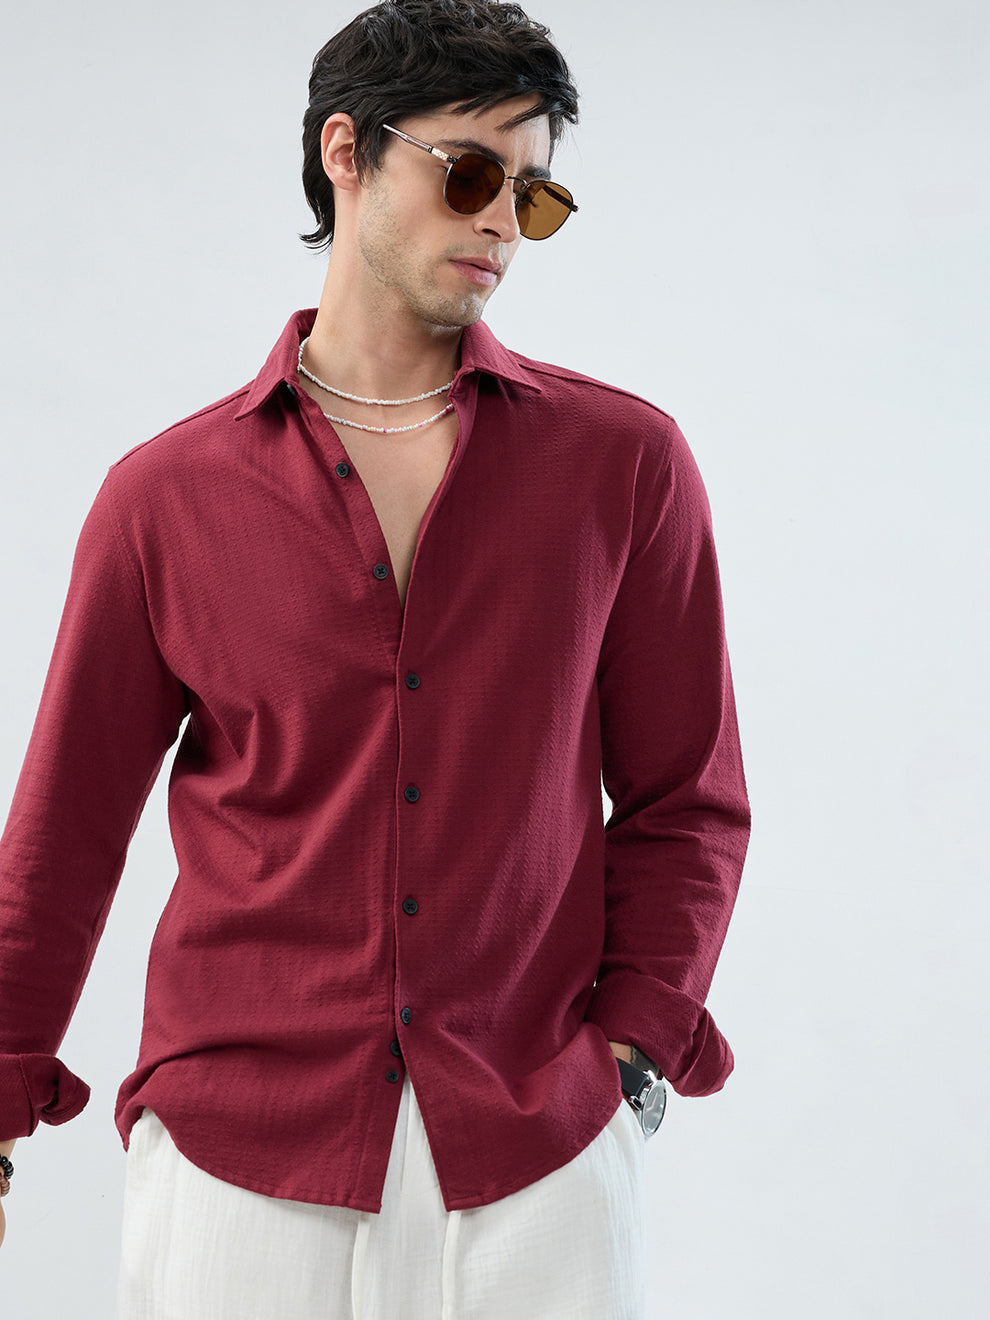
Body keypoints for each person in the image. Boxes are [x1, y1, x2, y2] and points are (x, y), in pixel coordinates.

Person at [0, 1, 751, 1314]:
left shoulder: (621, 467)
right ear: (344, 151)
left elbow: (688, 799)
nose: (502, 223)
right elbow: (63, 835)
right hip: (237, 1157)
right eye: (469, 174)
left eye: (534, 195)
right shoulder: (165, 498)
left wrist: (631, 1055)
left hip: (536, 1150)